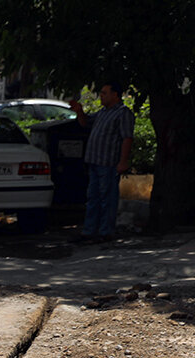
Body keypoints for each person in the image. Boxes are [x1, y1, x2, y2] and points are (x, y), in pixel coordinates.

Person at [68, 81, 134, 244]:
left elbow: (127, 137)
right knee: (93, 198)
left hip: (109, 162)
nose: (101, 96)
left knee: (107, 198)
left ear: (115, 95)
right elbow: (86, 123)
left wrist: (123, 161)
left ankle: (106, 232)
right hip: (95, 161)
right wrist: (80, 112)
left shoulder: (123, 113)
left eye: (105, 93)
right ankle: (89, 231)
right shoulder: (103, 112)